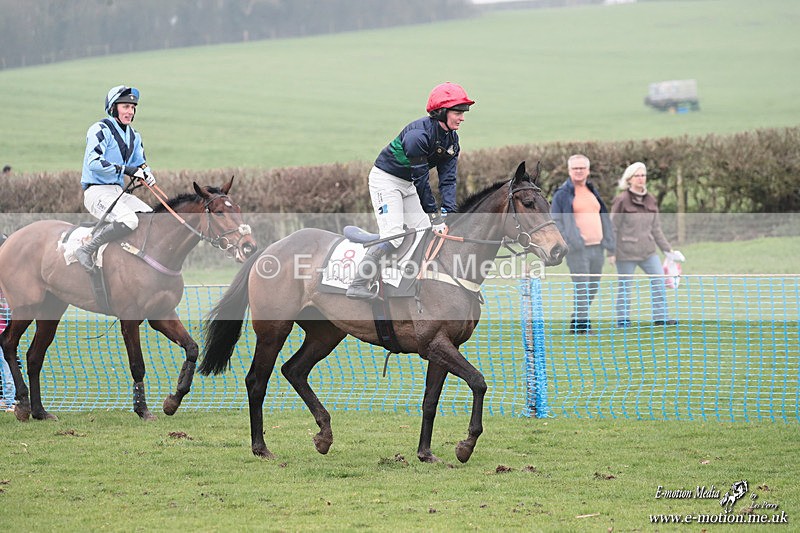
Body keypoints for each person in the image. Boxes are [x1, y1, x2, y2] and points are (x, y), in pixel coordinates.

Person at [346, 82, 475, 300]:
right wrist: (435, 216)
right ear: (442, 112)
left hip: (408, 184)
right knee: (395, 235)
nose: (462, 117)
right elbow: (422, 181)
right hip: (386, 181)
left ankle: (415, 280)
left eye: (464, 113)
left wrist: (449, 212)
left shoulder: (452, 140)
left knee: (426, 232)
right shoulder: (418, 136)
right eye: (458, 112)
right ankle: (358, 283)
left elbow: (448, 179)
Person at [75, 85, 157, 273]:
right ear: (113, 108)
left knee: (153, 219)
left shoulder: (135, 136)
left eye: (133, 107)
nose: (130, 111)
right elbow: (94, 163)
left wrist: (147, 173)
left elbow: (141, 163)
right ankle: (86, 249)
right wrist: (127, 169)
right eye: (125, 106)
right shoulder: (99, 129)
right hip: (96, 192)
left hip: (118, 192)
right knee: (130, 220)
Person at [610, 162, 683, 327]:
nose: (641, 178)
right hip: (625, 253)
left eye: (643, 175)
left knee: (659, 282)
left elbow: (656, 229)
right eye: (637, 175)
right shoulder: (621, 200)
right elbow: (612, 227)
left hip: (649, 252)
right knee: (625, 287)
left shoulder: (651, 200)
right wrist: (611, 252)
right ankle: (623, 320)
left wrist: (668, 250)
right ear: (629, 179)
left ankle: (661, 318)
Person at [550, 154, 615, 334]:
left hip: (597, 248)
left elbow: (604, 217)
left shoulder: (591, 191)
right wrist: (571, 242)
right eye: (575, 168)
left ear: (588, 170)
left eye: (582, 168)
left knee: (592, 286)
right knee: (582, 287)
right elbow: (556, 221)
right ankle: (583, 327)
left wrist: (610, 246)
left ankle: (576, 322)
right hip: (578, 250)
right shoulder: (562, 194)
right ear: (569, 170)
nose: (579, 171)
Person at [0, 288, 13, 412]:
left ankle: (10, 401)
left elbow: (8, 313)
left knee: (6, 368)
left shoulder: (7, 296)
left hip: (3, 336)